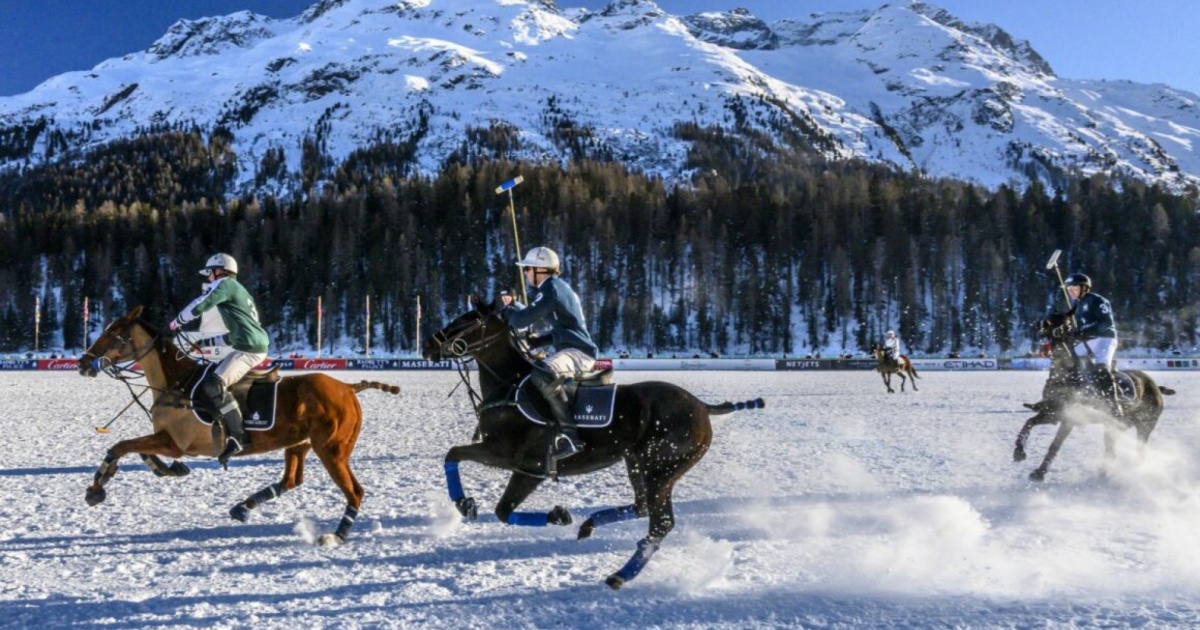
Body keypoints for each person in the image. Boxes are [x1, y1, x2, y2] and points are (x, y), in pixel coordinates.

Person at [498, 246, 598, 475]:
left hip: (579, 353)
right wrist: (538, 341)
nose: (525, 273)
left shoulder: (551, 289)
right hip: (572, 348)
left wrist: (509, 308)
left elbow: (521, 320)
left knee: (542, 373)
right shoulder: (555, 288)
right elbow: (562, 328)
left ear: (540, 270)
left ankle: (570, 436)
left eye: (527, 269)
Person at [169, 253, 270, 466]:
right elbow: (233, 335)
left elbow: (201, 304)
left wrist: (177, 321)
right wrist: (205, 343)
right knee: (211, 375)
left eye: (210, 273)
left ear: (220, 271)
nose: (209, 278)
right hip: (247, 344)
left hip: (250, 349)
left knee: (213, 384)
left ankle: (238, 437)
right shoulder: (237, 290)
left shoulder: (225, 284)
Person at [1026, 272, 1121, 417]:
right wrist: (1052, 325)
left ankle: (1114, 405)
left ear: (1084, 288)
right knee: (1064, 365)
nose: (1071, 292)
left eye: (1074, 288)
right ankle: (1050, 400)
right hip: (1086, 340)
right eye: (1069, 289)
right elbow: (1066, 316)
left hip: (1104, 339)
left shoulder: (1098, 301)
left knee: (1101, 368)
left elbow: (1106, 323)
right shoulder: (1078, 303)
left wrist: (1081, 331)